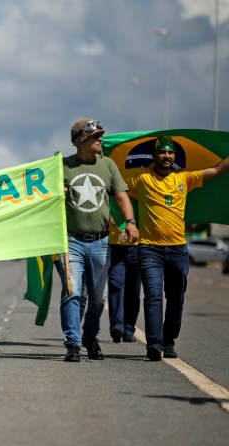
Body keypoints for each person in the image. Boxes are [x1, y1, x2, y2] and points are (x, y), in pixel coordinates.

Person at [124, 136, 229, 361]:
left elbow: (217, 170)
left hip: (178, 250)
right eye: (162, 152)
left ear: (175, 156)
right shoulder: (141, 177)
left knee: (176, 298)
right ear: (155, 155)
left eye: (170, 153)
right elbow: (114, 185)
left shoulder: (185, 177)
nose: (167, 156)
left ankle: (169, 340)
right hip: (149, 249)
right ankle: (154, 344)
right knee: (152, 295)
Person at [56, 118, 139, 362]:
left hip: (101, 242)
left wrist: (131, 222)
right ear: (81, 141)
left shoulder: (109, 165)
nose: (100, 139)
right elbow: (46, 201)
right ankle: (72, 343)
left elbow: (122, 197)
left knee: (96, 298)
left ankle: (90, 337)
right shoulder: (61, 167)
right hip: (71, 241)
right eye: (96, 136)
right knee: (72, 292)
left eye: (101, 135)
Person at [107, 219, 141, 343]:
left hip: (136, 246)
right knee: (115, 285)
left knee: (133, 291)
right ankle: (117, 326)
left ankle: (128, 330)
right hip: (115, 245)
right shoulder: (111, 198)